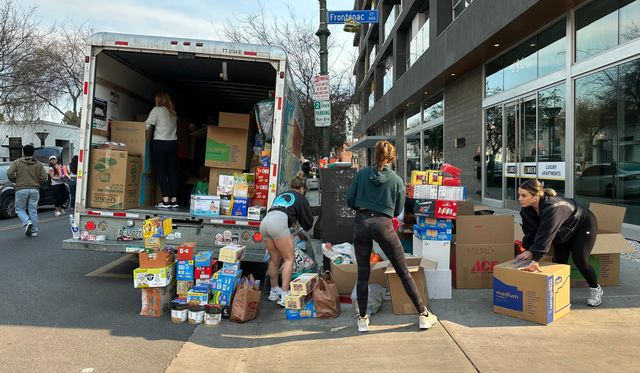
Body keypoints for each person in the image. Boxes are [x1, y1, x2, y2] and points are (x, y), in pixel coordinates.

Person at [346, 140, 437, 332]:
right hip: (383, 225)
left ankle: (362, 319)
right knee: (403, 271)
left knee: (363, 275)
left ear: (375, 155)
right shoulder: (396, 180)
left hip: (361, 223)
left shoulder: (361, 175)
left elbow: (350, 200)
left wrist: (362, 208)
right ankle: (422, 315)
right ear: (393, 157)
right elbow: (397, 211)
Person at [515, 179, 603, 307]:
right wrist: (528, 249)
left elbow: (546, 233)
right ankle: (561, 295)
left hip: (583, 225)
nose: (520, 198)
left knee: (580, 260)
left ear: (535, 196)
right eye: (519, 194)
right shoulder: (526, 210)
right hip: (562, 230)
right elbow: (530, 231)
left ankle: (596, 289)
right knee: (560, 262)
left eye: (524, 195)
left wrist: (536, 259)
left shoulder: (553, 207)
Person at [260, 171, 314, 307]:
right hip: (277, 225)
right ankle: (284, 295)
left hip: (265, 223)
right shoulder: (300, 197)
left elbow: (286, 212)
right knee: (289, 259)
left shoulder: (281, 195)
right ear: (302, 189)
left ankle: (274, 291)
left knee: (274, 259)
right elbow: (308, 222)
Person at [7, 144, 48, 237]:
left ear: (23, 152)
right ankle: (34, 230)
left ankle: (27, 221)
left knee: (19, 209)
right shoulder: (38, 164)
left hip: (21, 189)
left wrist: (15, 180)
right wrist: (38, 182)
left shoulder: (17, 162)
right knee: (32, 210)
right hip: (34, 189)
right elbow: (44, 177)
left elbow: (9, 172)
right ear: (33, 153)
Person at [146, 92, 178, 208]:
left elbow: (148, 124)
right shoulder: (173, 112)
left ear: (158, 100)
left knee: (161, 172)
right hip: (173, 143)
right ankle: (174, 200)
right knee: (172, 172)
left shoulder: (157, 110)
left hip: (160, 143)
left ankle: (165, 200)